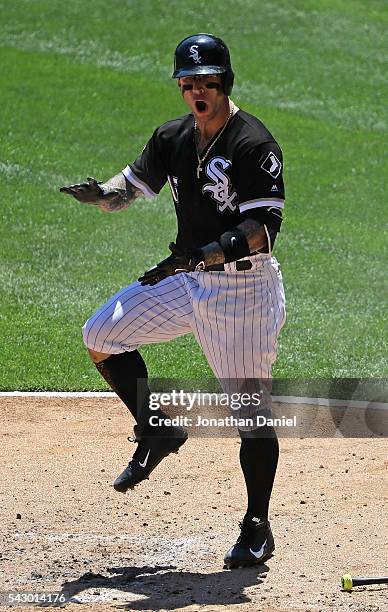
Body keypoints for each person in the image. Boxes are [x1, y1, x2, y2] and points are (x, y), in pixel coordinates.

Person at [60, 33, 286, 569]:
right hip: (188, 280)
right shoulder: (174, 137)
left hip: (243, 293)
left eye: (208, 83)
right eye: (189, 84)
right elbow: (129, 188)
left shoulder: (254, 143)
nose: (197, 92)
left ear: (224, 84)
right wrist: (102, 197)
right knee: (101, 335)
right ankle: (156, 428)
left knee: (250, 414)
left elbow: (263, 229)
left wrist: (203, 257)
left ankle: (257, 527)